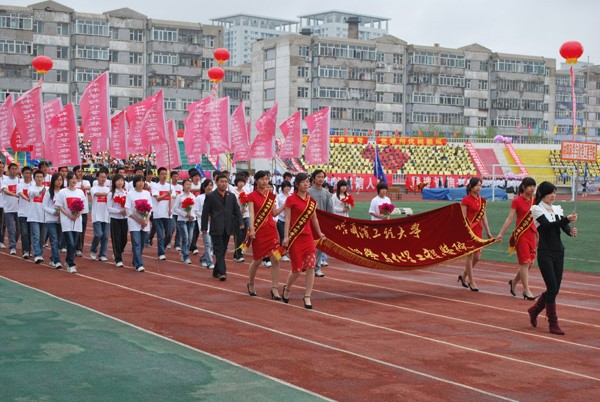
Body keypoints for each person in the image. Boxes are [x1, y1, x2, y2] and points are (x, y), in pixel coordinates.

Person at [527, 182, 577, 335]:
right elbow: (548, 226)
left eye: (555, 192)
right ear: (542, 194)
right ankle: (553, 323)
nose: (553, 195)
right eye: (550, 193)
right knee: (553, 288)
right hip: (545, 253)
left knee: (553, 289)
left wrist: (571, 231)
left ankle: (534, 310)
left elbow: (563, 228)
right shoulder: (536, 209)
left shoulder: (557, 209)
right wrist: (566, 219)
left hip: (558, 252)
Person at [281, 173, 326, 309]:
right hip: (295, 238)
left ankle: (307, 296)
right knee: (297, 270)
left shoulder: (311, 201)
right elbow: (288, 218)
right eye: (303, 182)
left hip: (308, 237)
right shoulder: (291, 199)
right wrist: (286, 236)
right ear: (297, 184)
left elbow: (314, 219)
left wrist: (319, 233)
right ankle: (287, 288)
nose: (306, 184)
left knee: (311, 267)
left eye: (307, 181)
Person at [497, 177, 538, 299]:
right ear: (524, 187)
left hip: (531, 233)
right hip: (521, 235)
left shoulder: (534, 201)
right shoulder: (517, 201)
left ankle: (514, 281)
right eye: (530, 186)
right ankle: (526, 290)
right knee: (525, 262)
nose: (532, 188)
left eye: (534, 186)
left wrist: (537, 233)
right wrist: (501, 233)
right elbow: (510, 218)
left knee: (530, 263)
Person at [245, 171, 284, 300]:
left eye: (266, 179)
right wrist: (251, 229)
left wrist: (285, 205)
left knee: (275, 259)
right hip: (258, 231)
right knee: (258, 260)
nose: (264, 181)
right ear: (256, 181)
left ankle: (275, 288)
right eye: (262, 179)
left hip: (271, 230)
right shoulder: (251, 196)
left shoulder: (271, 196)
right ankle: (251, 283)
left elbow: (274, 213)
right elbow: (251, 214)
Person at [200, 174, 243, 281]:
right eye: (221, 181)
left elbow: (237, 211)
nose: (224, 184)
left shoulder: (231, 196)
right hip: (216, 227)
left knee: (223, 250)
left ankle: (216, 271)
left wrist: (241, 222)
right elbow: (205, 213)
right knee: (218, 250)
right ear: (216, 182)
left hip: (227, 227)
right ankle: (223, 272)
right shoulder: (210, 196)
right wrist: (204, 227)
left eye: (226, 182)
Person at [458, 178, 493, 291]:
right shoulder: (466, 200)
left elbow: (484, 217)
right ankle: (471, 281)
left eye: (480, 185)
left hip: (478, 230)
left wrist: (488, 232)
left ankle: (463, 275)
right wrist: (464, 231)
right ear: (471, 187)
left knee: (477, 257)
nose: (479, 187)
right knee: (470, 256)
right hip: (469, 230)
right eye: (477, 185)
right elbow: (463, 217)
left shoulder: (482, 201)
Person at [55, 172, 87, 273]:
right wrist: (69, 215)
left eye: (75, 179)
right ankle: (71, 263)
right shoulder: (62, 192)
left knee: (74, 242)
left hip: (77, 220)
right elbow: (60, 206)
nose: (74, 180)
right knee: (71, 242)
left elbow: (83, 206)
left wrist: (77, 215)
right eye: (72, 178)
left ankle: (68, 260)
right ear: (68, 180)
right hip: (66, 220)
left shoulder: (80, 192)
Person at [125, 174, 153, 272]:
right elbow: (128, 210)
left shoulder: (147, 193)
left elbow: (150, 208)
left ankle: (135, 261)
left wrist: (146, 219)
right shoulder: (130, 194)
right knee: (136, 243)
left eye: (142, 181)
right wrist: (138, 220)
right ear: (135, 183)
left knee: (142, 243)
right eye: (139, 181)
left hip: (144, 222)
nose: (141, 183)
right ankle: (139, 264)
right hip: (134, 222)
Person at [308, 170, 333, 277]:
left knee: (319, 246)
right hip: (309, 223)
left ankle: (317, 268)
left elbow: (330, 209)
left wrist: (329, 222)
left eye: (322, 177)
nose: (321, 179)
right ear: (314, 178)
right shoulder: (308, 192)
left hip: (321, 224)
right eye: (318, 177)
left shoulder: (326, 193)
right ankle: (309, 266)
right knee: (309, 246)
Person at [89, 168, 111, 262]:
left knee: (105, 236)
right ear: (97, 177)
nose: (103, 179)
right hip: (97, 215)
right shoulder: (94, 188)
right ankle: (93, 249)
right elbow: (97, 194)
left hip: (106, 215)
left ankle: (102, 254)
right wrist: (107, 194)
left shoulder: (108, 189)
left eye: (105, 177)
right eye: (101, 177)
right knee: (98, 234)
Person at [172, 179, 196, 264]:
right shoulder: (180, 196)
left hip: (191, 220)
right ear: (183, 186)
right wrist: (185, 214)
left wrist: (192, 216)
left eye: (190, 184)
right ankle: (186, 256)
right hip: (182, 220)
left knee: (189, 239)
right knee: (185, 238)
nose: (188, 186)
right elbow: (175, 208)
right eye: (187, 184)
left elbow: (195, 209)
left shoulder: (193, 196)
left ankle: (183, 253)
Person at [43, 173, 63, 268]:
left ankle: (53, 258)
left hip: (61, 220)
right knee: (54, 240)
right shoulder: (49, 192)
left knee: (58, 241)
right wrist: (53, 212)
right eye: (57, 180)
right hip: (51, 220)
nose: (59, 182)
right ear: (53, 181)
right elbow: (44, 206)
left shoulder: (64, 192)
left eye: (60, 180)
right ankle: (58, 261)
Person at [152, 167, 173, 261]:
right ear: (158, 175)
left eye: (165, 174)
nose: (164, 176)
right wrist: (166, 194)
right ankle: (161, 253)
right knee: (160, 235)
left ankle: (162, 248)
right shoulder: (155, 186)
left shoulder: (169, 186)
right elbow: (157, 198)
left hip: (168, 214)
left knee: (169, 234)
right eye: (162, 174)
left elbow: (171, 199)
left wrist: (170, 209)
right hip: (158, 214)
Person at [107, 174, 128, 267]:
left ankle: (117, 252)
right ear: (114, 182)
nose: (120, 182)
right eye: (118, 180)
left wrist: (126, 211)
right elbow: (109, 207)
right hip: (115, 218)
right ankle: (118, 259)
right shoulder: (111, 194)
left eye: (122, 180)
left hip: (124, 219)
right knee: (116, 239)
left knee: (124, 239)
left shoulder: (126, 193)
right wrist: (119, 211)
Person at [26, 169, 47, 264]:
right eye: (37, 177)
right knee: (36, 236)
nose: (39, 178)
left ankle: (40, 253)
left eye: (41, 177)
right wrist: (40, 192)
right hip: (34, 216)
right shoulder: (31, 188)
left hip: (44, 216)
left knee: (42, 238)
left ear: (43, 178)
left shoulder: (47, 189)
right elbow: (31, 194)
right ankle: (37, 255)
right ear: (34, 178)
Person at [1, 163, 21, 255]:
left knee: (19, 230)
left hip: (19, 209)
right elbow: (5, 190)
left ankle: (14, 242)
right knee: (11, 229)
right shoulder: (4, 180)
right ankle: (12, 247)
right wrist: (14, 194)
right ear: (8, 170)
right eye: (12, 169)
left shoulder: (20, 181)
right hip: (8, 209)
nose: (14, 170)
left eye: (15, 169)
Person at [194, 179, 214, 269]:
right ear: (204, 187)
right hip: (203, 224)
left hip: (213, 224)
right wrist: (206, 216)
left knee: (212, 245)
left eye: (211, 185)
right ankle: (210, 262)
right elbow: (196, 211)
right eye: (208, 185)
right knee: (207, 244)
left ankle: (203, 259)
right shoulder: (199, 198)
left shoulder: (214, 197)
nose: (209, 187)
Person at [72, 165, 91, 258]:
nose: (80, 173)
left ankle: (79, 248)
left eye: (81, 171)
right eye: (78, 171)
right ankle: (73, 246)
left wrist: (84, 187)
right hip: (73, 211)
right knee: (74, 229)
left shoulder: (85, 182)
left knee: (82, 230)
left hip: (83, 210)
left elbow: (89, 187)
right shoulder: (72, 182)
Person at [232, 176, 249, 263]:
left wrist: (245, 208)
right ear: (236, 183)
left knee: (244, 236)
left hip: (245, 215)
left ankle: (236, 253)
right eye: (239, 182)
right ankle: (239, 255)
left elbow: (248, 202)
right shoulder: (233, 192)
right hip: (236, 216)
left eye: (242, 182)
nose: (241, 184)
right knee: (238, 235)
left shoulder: (246, 191)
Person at [17, 166, 33, 259]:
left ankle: (29, 250)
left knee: (30, 233)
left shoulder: (34, 184)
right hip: (22, 213)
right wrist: (27, 198)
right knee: (24, 233)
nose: (27, 175)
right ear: (22, 174)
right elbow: (21, 193)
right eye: (26, 173)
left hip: (32, 213)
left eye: (29, 173)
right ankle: (25, 251)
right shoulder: (20, 184)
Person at [275, 180, 292, 261]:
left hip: (290, 219)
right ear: (282, 188)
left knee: (289, 236)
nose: (287, 188)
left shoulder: (291, 196)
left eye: (288, 186)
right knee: (283, 236)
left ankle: (283, 252)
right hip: (281, 219)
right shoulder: (278, 197)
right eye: (285, 186)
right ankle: (283, 254)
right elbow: (277, 208)